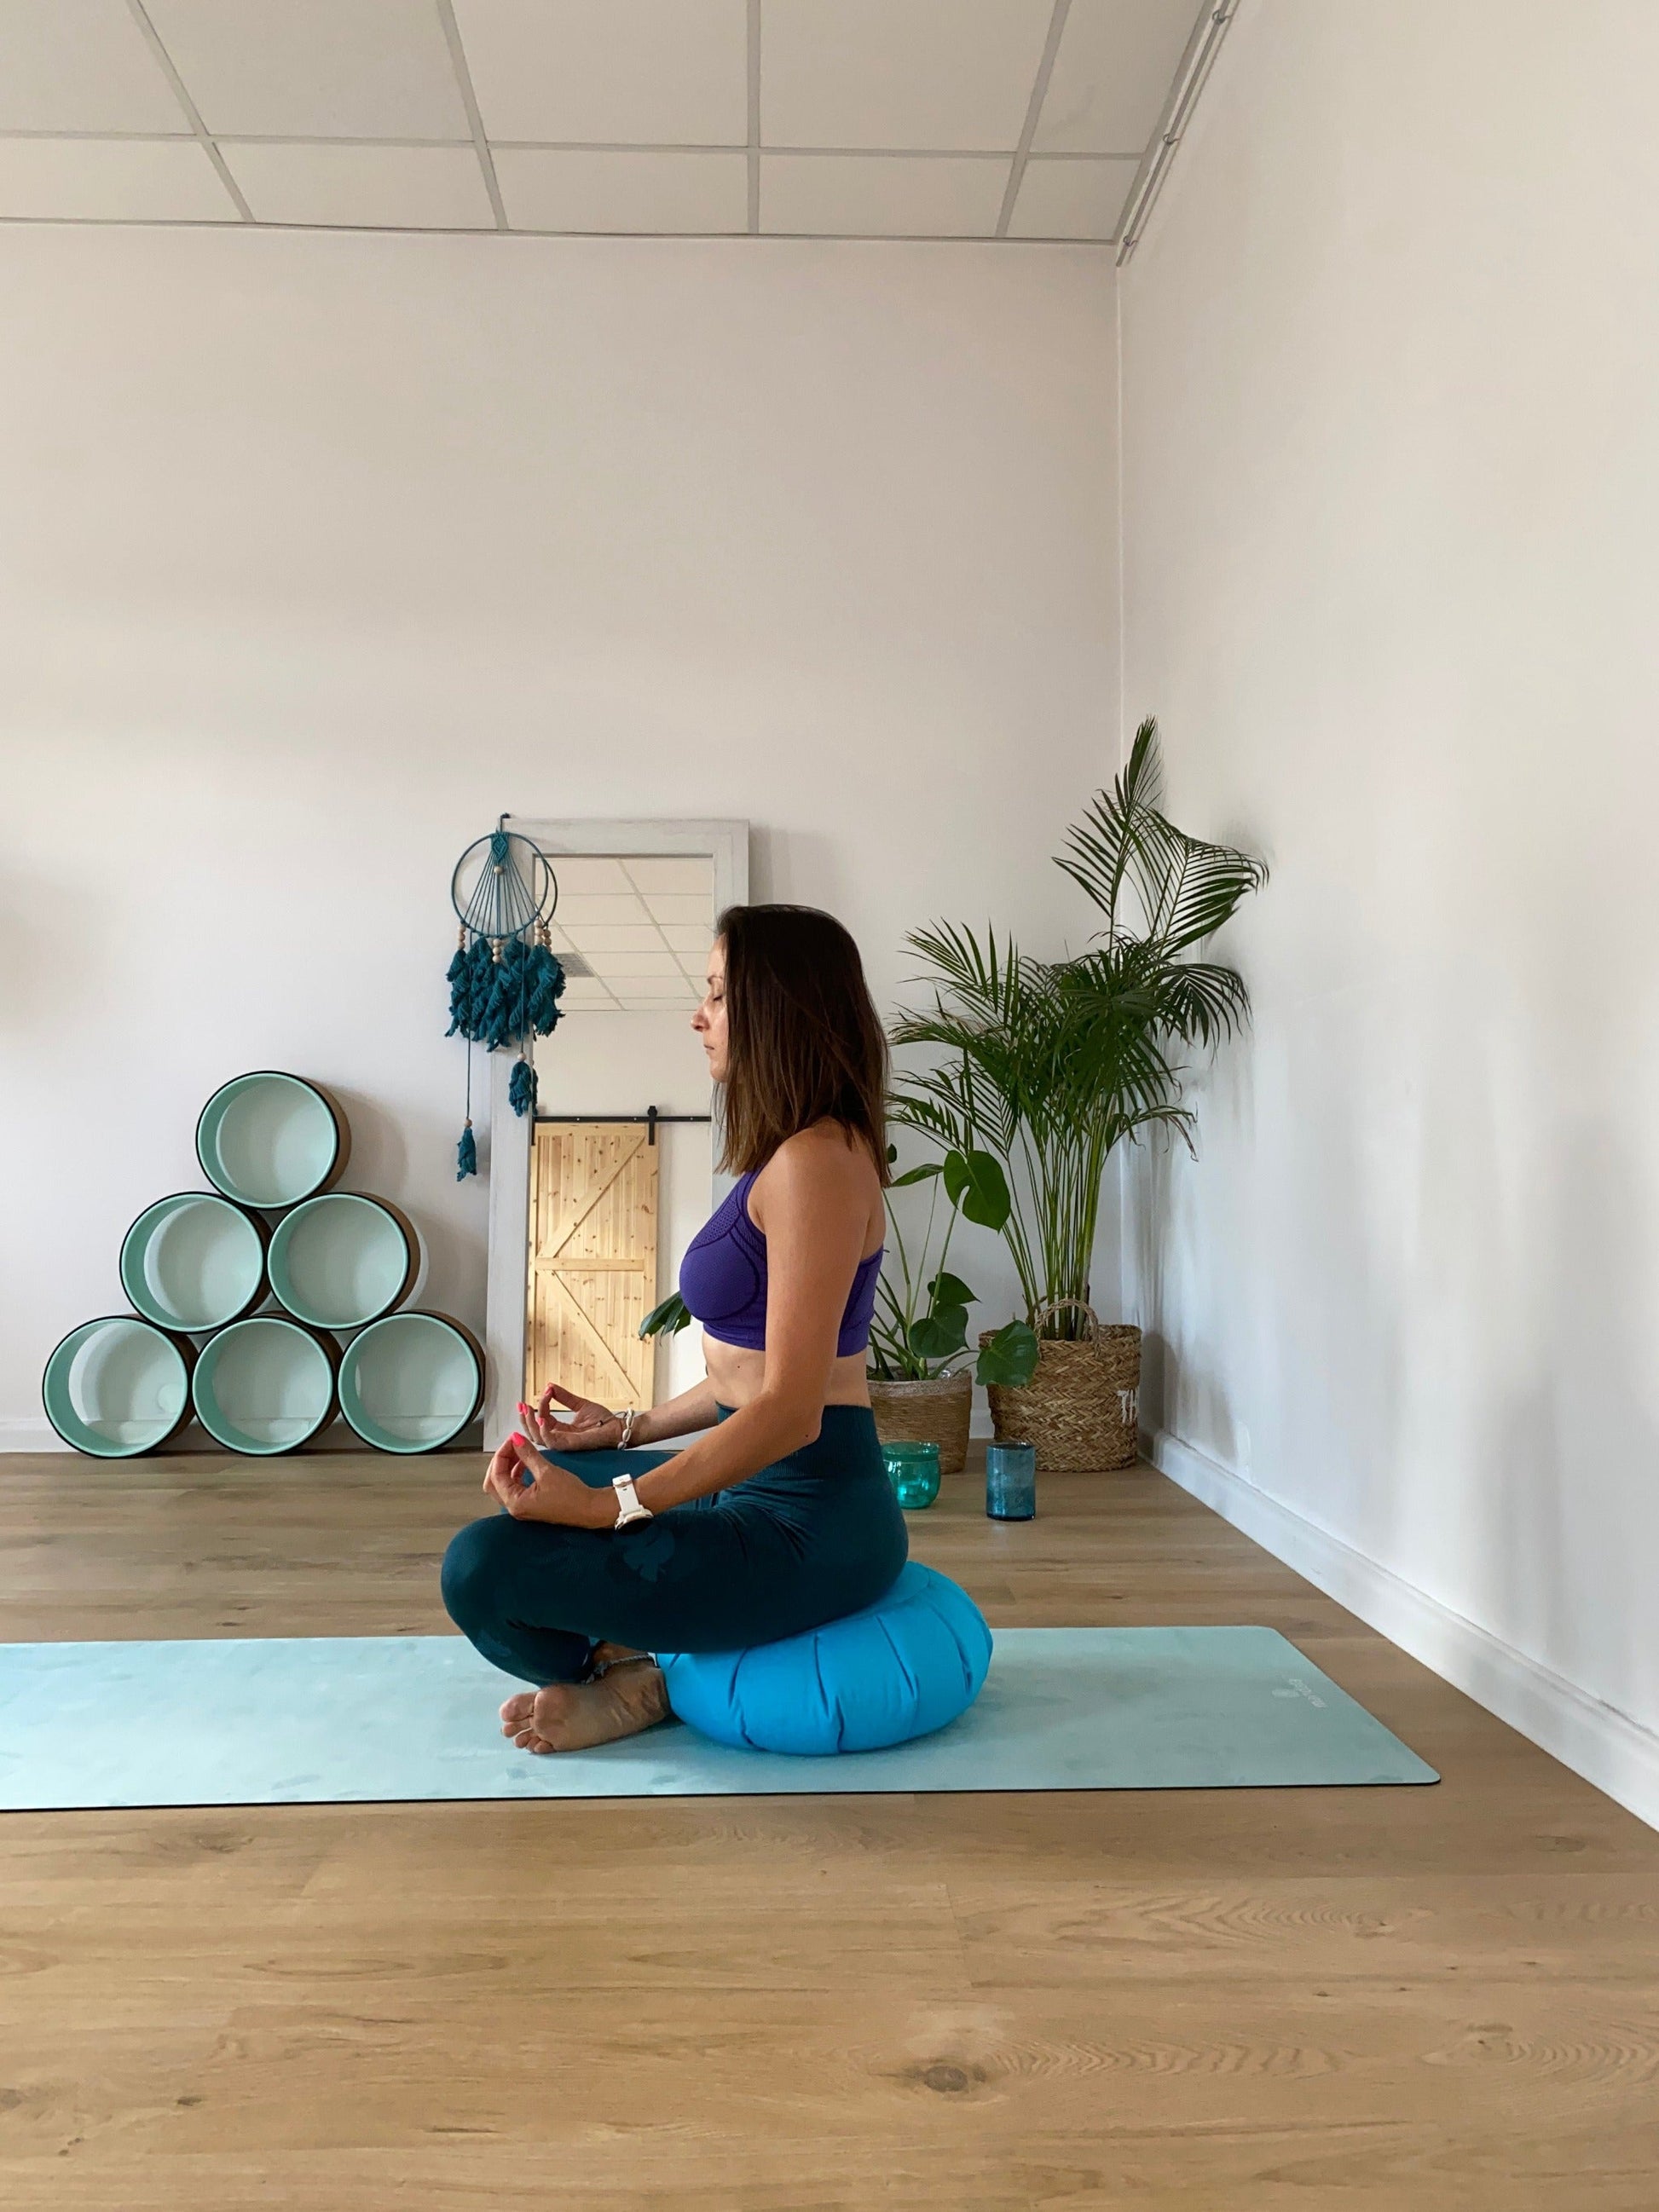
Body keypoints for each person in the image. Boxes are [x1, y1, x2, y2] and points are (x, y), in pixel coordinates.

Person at [440, 902, 908, 1754]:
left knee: (479, 1569)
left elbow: (792, 1411)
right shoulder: (790, 1155)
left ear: (778, 1010)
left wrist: (605, 1505)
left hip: (810, 1526)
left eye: (719, 994)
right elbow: (746, 1377)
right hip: (755, 1481)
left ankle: (633, 1684)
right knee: (524, 1483)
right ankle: (627, 1654)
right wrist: (624, 1429)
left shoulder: (819, 1165)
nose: (699, 1015)